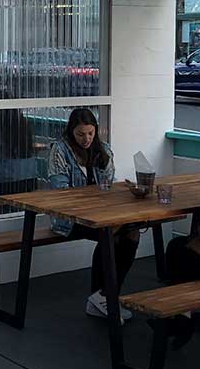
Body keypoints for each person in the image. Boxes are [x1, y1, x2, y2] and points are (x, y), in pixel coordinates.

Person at [47, 107, 138, 321]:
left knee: (132, 231)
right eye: (80, 134)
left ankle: (104, 295)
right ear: (71, 131)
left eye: (90, 133)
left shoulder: (103, 149)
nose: (86, 139)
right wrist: (93, 196)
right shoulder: (60, 150)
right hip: (68, 218)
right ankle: (103, 297)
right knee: (112, 233)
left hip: (100, 214)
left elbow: (109, 185)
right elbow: (61, 192)